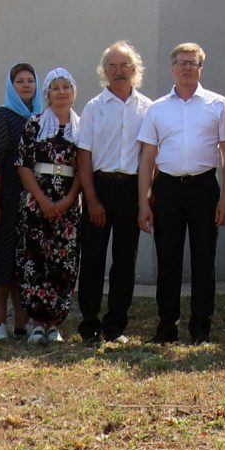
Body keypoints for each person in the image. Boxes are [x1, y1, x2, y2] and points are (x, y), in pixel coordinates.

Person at [137, 43, 225, 344]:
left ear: (201, 68)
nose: (187, 67)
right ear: (172, 68)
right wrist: (144, 202)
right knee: (168, 259)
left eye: (193, 63)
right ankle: (167, 327)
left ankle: (201, 329)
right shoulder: (157, 108)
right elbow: (147, 160)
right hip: (167, 189)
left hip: (204, 188)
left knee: (205, 260)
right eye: (182, 62)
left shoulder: (218, 105)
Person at [74, 41, 151, 343]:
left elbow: (149, 156)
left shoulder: (147, 108)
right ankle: (89, 324)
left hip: (132, 189)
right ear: (104, 71)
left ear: (135, 69)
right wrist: (91, 199)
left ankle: (115, 325)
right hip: (99, 187)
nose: (119, 72)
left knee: (124, 260)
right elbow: (84, 158)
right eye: (112, 66)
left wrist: (146, 197)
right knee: (92, 259)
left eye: (124, 66)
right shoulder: (93, 108)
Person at [15, 68, 83, 344]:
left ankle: (55, 322)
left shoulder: (82, 126)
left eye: (66, 87)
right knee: (35, 259)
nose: (62, 92)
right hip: (36, 203)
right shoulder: (34, 123)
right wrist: (43, 200)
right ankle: (36, 321)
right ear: (47, 93)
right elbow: (23, 165)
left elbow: (84, 169)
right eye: (56, 88)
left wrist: (67, 200)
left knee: (63, 261)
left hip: (68, 204)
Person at [0, 63, 38, 341]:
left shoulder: (41, 117)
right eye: (20, 81)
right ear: (11, 86)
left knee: (22, 263)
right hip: (3, 202)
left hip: (30, 205)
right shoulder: (3, 117)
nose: (26, 85)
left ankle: (22, 322)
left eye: (30, 80)